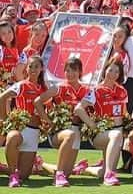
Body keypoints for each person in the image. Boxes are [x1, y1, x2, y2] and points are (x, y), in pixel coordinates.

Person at [35, 56, 89, 187]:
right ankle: (58, 175)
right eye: (67, 70)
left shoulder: (86, 90)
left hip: (76, 131)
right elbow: (37, 101)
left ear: (80, 72)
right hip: (58, 132)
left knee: (68, 173)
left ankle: (41, 165)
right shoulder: (58, 88)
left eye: (74, 70)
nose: (70, 74)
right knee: (69, 135)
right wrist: (48, 120)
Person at [77, 59, 129, 186]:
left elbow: (125, 114)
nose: (113, 74)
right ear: (104, 70)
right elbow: (78, 108)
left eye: (117, 71)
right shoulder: (96, 90)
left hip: (117, 135)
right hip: (100, 135)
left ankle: (83, 169)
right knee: (116, 134)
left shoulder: (122, 91)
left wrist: (128, 129)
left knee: (103, 171)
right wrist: (92, 125)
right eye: (110, 70)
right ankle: (109, 176)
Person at [0, 54, 47, 187]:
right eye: (30, 66)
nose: (33, 69)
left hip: (34, 133)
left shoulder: (44, 88)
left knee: (24, 175)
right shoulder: (21, 85)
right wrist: (4, 120)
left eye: (36, 66)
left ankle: (8, 169)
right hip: (20, 129)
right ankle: (13, 175)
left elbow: (49, 109)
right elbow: (2, 98)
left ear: (41, 69)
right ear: (26, 69)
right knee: (13, 137)